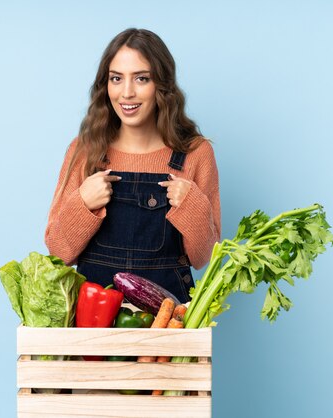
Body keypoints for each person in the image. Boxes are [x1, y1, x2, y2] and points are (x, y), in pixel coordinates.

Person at [44, 28, 220, 303]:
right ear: (106, 86)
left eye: (141, 78)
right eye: (116, 79)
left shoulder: (196, 153)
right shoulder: (84, 150)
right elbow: (58, 253)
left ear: (162, 85)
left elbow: (202, 258)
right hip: (95, 322)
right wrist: (83, 204)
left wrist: (192, 205)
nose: (127, 93)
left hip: (167, 320)